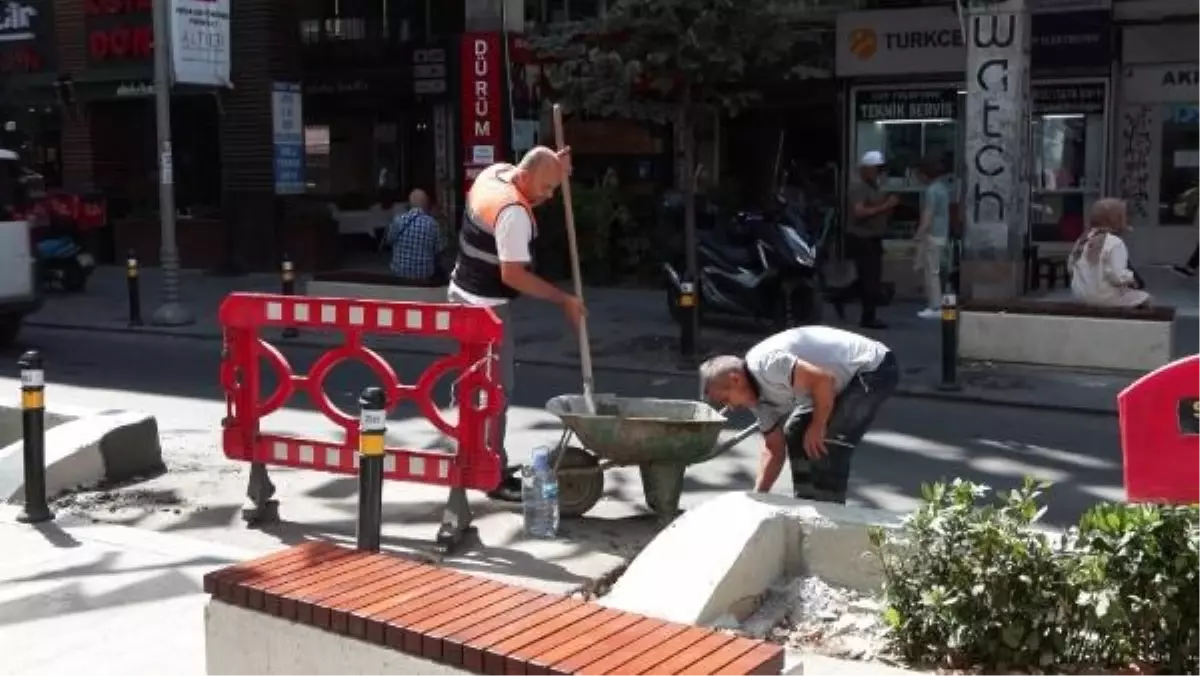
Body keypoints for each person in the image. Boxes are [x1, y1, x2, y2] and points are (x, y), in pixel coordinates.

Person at [449, 146, 586, 501]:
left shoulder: (495, 174)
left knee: (478, 386)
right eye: (547, 187)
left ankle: (478, 459)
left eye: (555, 188)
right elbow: (513, 276)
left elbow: (530, 187)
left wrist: (555, 167)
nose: (550, 196)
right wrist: (564, 300)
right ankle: (490, 474)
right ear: (524, 176)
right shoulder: (514, 215)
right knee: (497, 391)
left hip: (461, 290)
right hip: (485, 307)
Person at [699, 326, 899, 504]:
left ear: (735, 380)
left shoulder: (768, 365)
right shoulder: (755, 400)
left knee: (826, 441)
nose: (730, 408)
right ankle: (806, 503)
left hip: (873, 367)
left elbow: (823, 381)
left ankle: (831, 515)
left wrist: (818, 425)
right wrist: (758, 497)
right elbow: (774, 449)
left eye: (726, 400)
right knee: (794, 431)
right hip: (832, 385)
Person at [842, 151, 899, 329]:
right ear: (866, 169)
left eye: (880, 169)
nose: (879, 173)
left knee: (868, 278)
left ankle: (839, 296)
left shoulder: (875, 187)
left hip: (873, 237)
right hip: (861, 237)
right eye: (876, 169)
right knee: (870, 279)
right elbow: (859, 212)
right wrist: (885, 206)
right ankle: (868, 317)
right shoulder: (858, 187)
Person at [1069, 197, 1151, 309]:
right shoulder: (1114, 242)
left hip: (1079, 296)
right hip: (1104, 298)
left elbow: (1070, 268)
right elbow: (1117, 277)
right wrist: (1131, 278)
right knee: (1145, 298)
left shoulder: (1082, 240)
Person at [913, 155, 952, 320]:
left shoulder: (931, 191)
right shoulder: (942, 189)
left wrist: (919, 233)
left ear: (924, 173)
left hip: (932, 235)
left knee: (931, 273)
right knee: (937, 271)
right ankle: (938, 304)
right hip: (942, 234)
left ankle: (934, 305)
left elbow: (928, 214)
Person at [385, 189, 444, 286]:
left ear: (409, 203)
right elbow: (438, 251)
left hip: (399, 274)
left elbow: (389, 241)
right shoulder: (433, 224)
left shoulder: (398, 221)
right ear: (426, 204)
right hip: (423, 276)